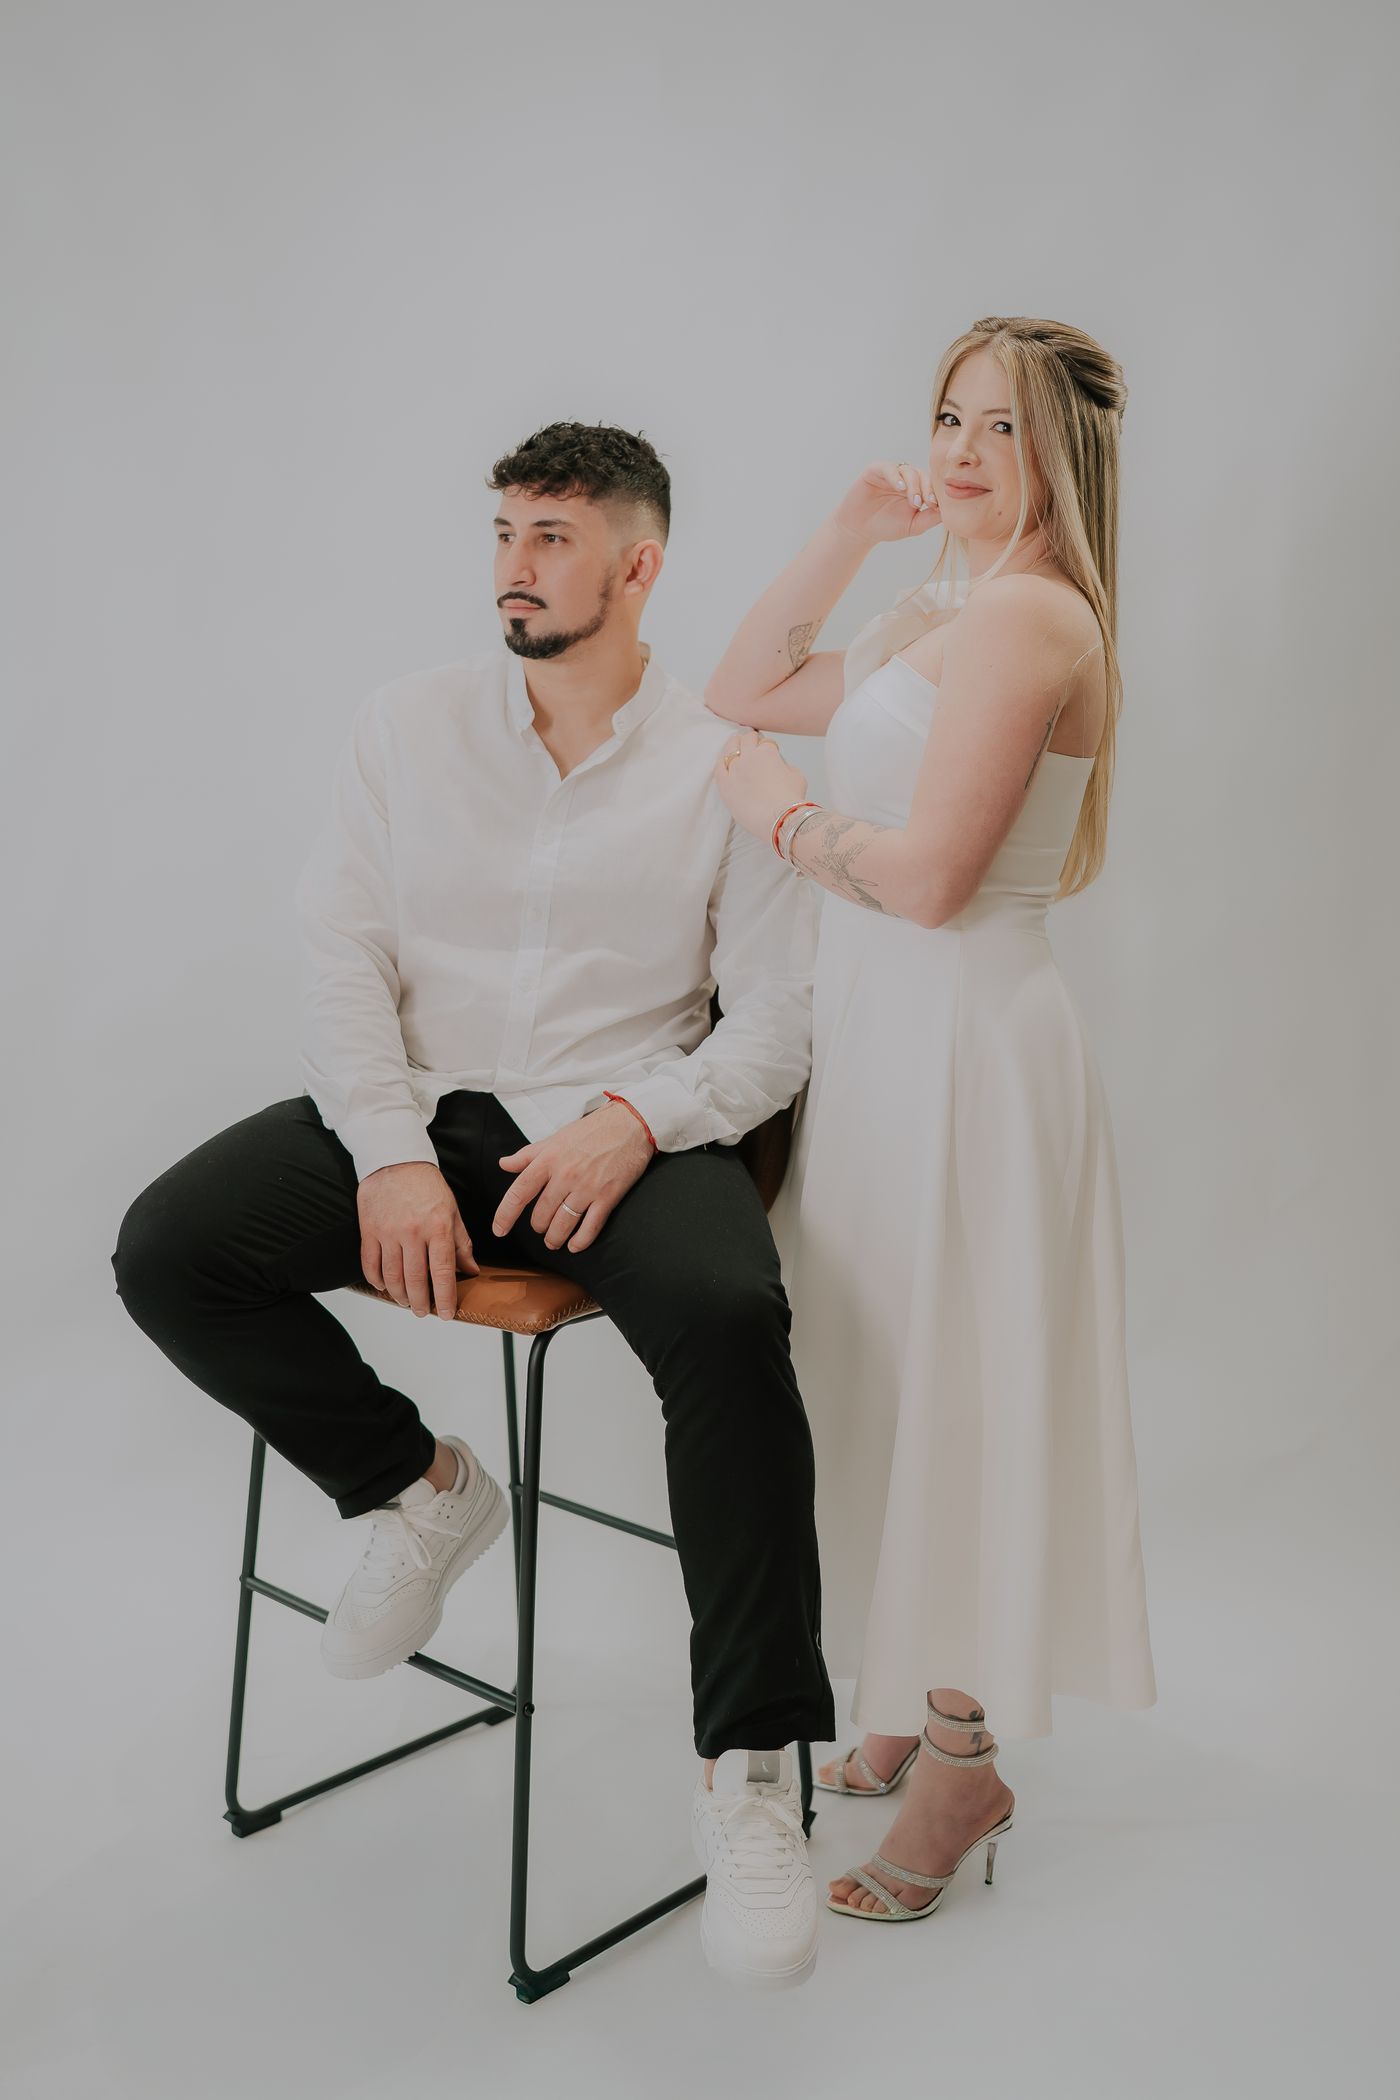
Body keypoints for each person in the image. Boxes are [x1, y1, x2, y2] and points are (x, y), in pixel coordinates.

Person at [111, 420, 836, 1989]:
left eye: (552, 538)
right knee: (171, 1249)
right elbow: (342, 959)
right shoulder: (407, 726)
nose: (514, 565)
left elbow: (776, 1027)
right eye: (504, 531)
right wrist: (385, 1150)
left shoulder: (723, 757)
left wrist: (638, 1119)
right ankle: (422, 1490)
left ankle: (752, 1769)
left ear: (639, 567)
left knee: (730, 1317)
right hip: (423, 1113)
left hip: (625, 1132)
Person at [705, 316, 1158, 1927]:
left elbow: (929, 881)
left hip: (969, 1041)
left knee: (953, 1381)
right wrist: (849, 530)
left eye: (1002, 428)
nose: (961, 451)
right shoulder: (947, 603)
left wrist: (781, 813)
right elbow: (741, 684)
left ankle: (963, 1763)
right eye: (948, 416)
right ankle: (904, 1691)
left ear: (1064, 455)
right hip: (888, 1038)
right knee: (882, 1365)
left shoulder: (1033, 619)